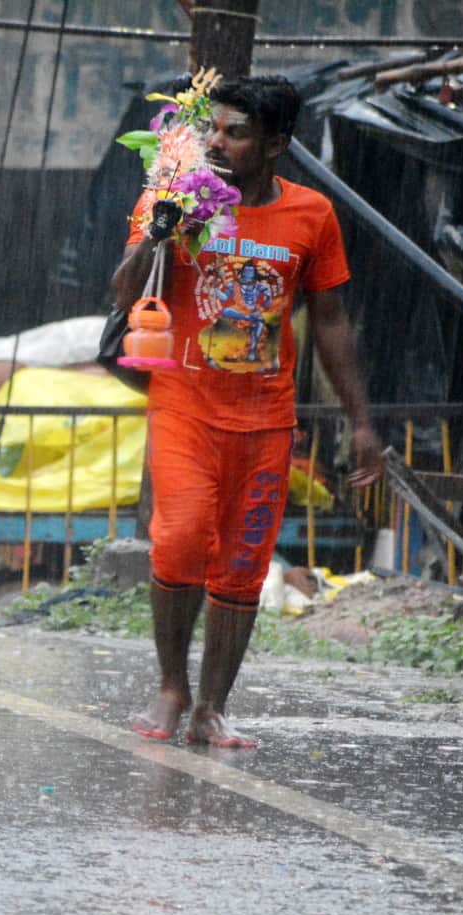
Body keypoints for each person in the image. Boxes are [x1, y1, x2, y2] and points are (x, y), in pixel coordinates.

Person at [110, 75, 383, 749]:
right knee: (179, 539)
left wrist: (362, 423)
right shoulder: (171, 195)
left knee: (241, 563)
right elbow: (121, 294)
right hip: (184, 405)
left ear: (276, 145)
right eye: (213, 130)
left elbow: (330, 322)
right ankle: (173, 686)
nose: (218, 143)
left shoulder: (311, 214)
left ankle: (212, 706)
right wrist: (160, 231)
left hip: (265, 419)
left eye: (236, 133)